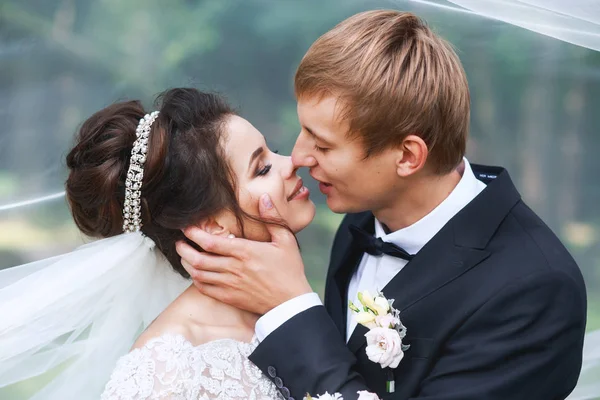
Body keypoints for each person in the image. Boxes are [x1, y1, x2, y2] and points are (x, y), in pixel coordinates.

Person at [176, 10, 589, 400]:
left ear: (408, 157)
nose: (299, 157)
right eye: (303, 132)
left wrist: (290, 306)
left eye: (322, 143)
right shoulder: (360, 215)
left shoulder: (536, 291)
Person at [0, 88, 315, 399]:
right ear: (210, 225)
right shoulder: (166, 373)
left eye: (271, 151)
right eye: (262, 169)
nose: (290, 163)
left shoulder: (294, 303)